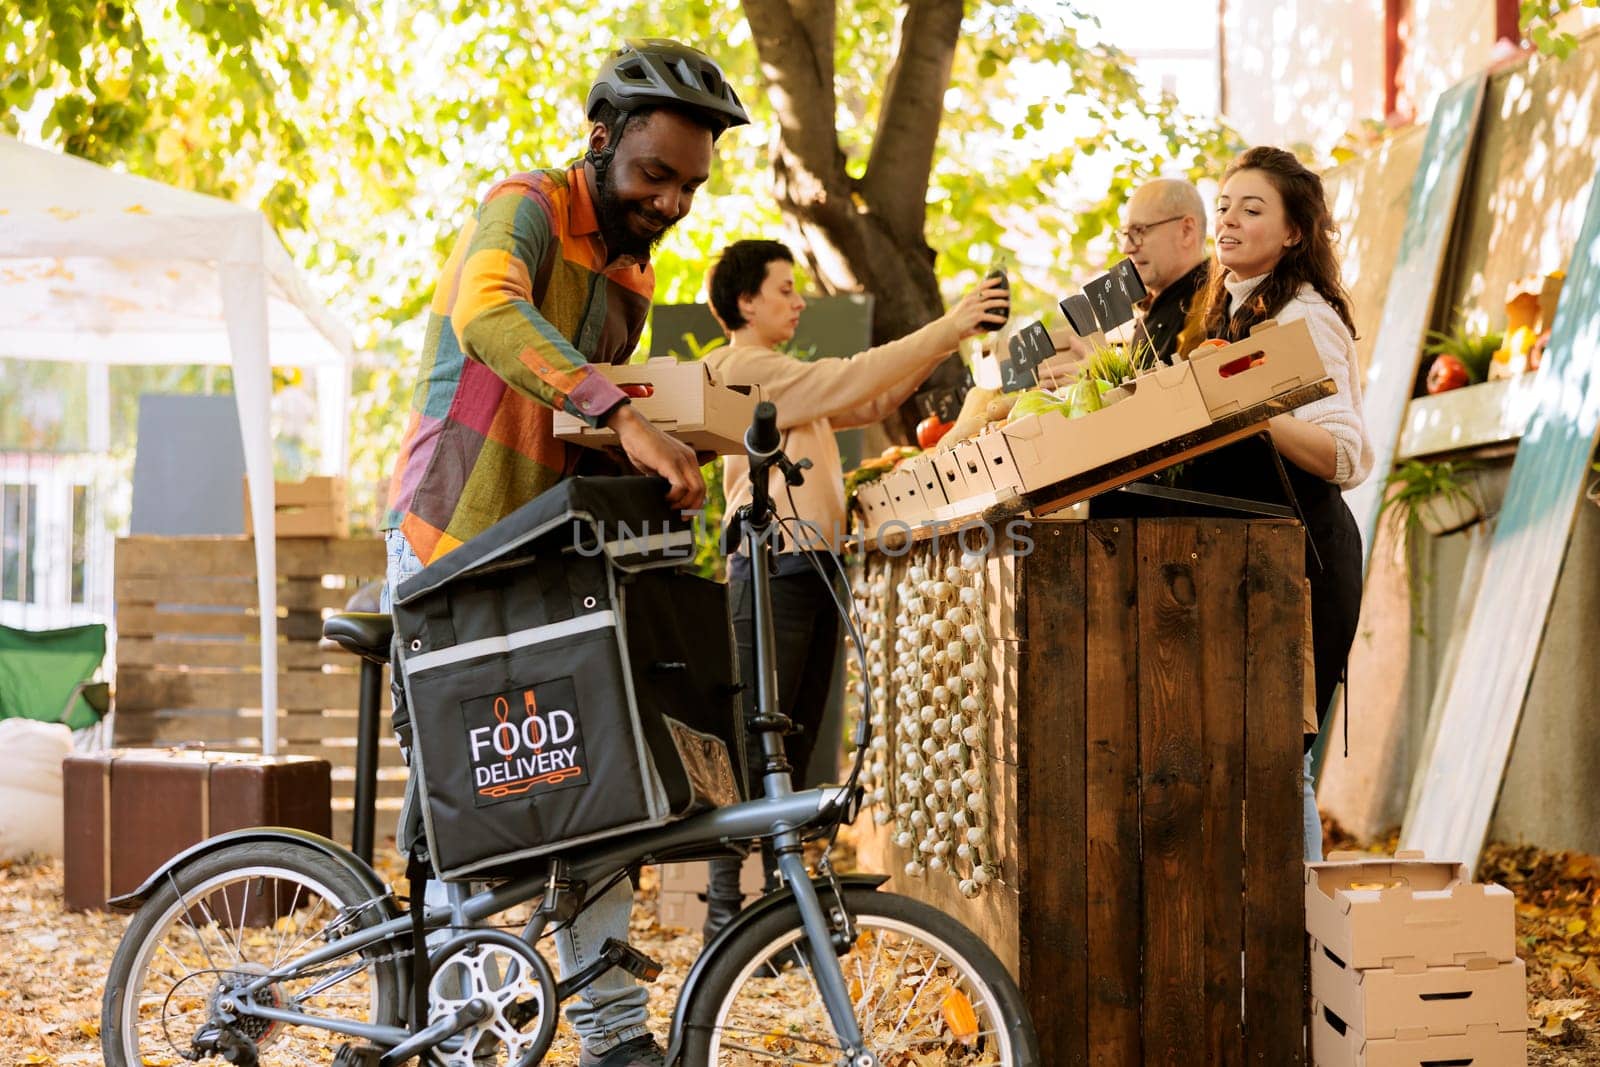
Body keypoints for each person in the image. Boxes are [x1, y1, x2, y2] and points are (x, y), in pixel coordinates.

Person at [381, 39, 749, 1067]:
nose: (673, 200)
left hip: (545, 558)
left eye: (690, 184)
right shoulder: (529, 205)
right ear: (601, 141)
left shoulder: (632, 262)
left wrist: (673, 456)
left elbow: (590, 426)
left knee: (591, 787)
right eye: (654, 174)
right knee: (478, 812)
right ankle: (458, 1033)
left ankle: (612, 1035)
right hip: (454, 539)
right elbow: (489, 308)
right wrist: (617, 412)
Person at [698, 240, 1008, 940]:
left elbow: (870, 396)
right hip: (773, 568)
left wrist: (942, 344)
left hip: (803, 569)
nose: (798, 299)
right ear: (745, 302)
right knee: (760, 745)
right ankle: (726, 916)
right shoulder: (745, 368)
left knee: (795, 742)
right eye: (784, 288)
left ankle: (775, 916)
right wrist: (952, 325)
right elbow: (856, 377)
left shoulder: (784, 380)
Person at [1184, 146, 1374, 861]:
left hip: (1306, 565)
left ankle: (1301, 951)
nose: (1229, 219)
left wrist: (1250, 407)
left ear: (1294, 233)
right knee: (1245, 761)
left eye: (1252, 208)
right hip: (1254, 565)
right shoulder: (1227, 313)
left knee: (1278, 761)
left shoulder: (1305, 316)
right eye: (1224, 205)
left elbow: (1347, 455)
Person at [1041, 177, 1210, 377]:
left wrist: (1104, 378)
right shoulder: (1152, 307)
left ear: (1186, 230)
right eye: (1124, 234)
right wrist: (1103, 372)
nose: (1127, 248)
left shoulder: (1213, 305)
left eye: (1139, 231)